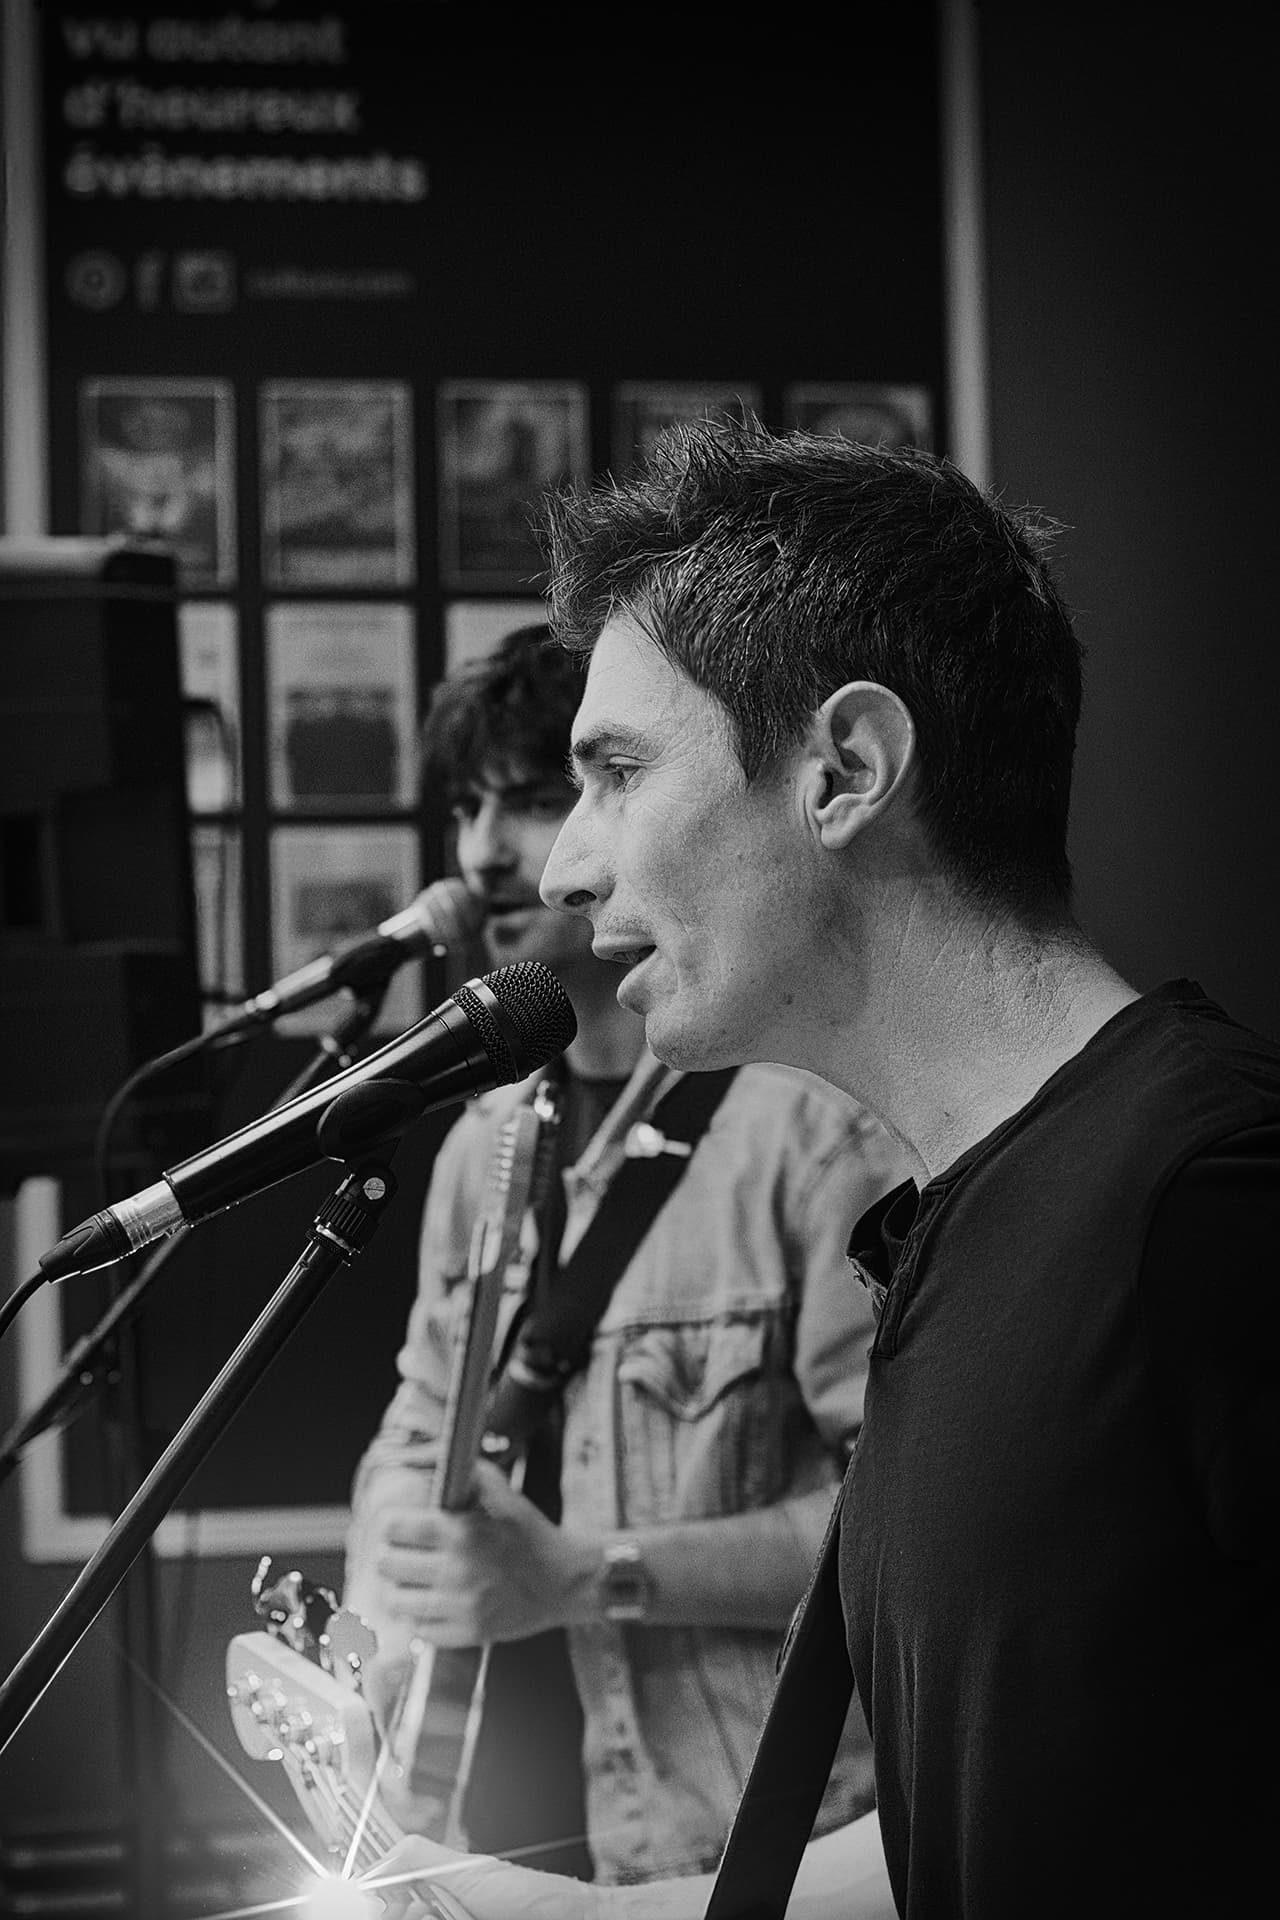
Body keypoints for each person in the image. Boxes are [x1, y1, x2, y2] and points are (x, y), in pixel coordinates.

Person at [364, 423, 1280, 1920]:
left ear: (847, 768)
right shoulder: (945, 1227)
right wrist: (588, 1918)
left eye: (617, 771)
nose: (562, 870)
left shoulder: (1213, 1203)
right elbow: (967, 1820)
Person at [343, 622, 909, 1886]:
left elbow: (897, 1534)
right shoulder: (483, 1140)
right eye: (468, 807)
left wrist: (582, 1578)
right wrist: (384, 1594)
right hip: (493, 1822)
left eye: (535, 799)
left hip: (739, 1847)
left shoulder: (811, 1137)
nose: (489, 853)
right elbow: (416, 1423)